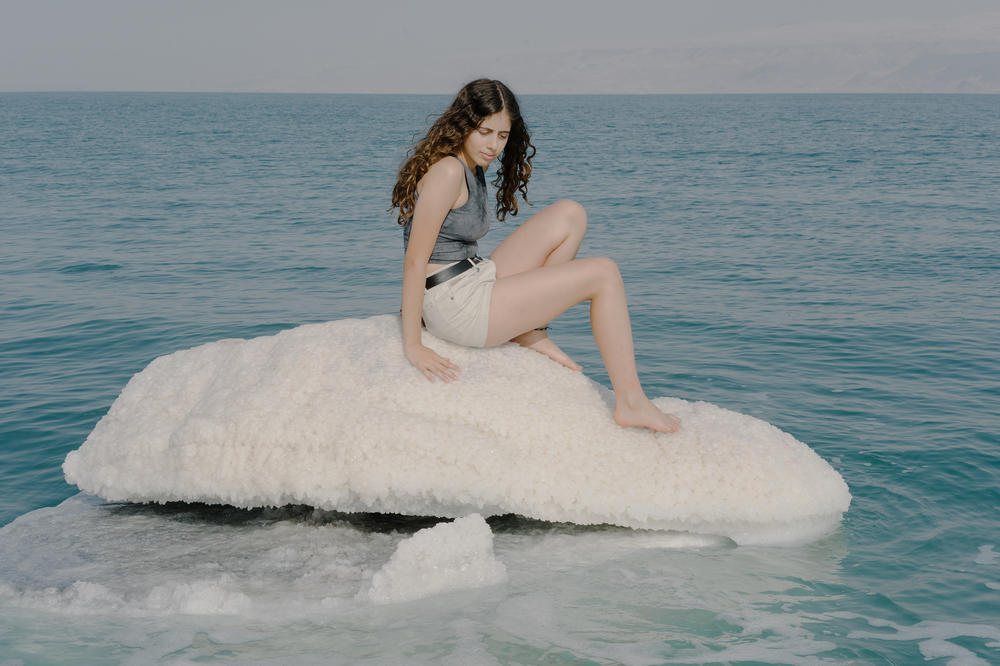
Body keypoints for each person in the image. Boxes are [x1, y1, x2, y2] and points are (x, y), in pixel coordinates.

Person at [392, 79, 680, 434]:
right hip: (456, 304)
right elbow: (414, 260)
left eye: (502, 135)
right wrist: (413, 345)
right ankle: (632, 402)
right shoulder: (449, 170)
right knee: (603, 273)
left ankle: (528, 330)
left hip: (470, 279)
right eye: (485, 131)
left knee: (570, 214)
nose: (494, 145)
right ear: (464, 123)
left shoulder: (472, 166)